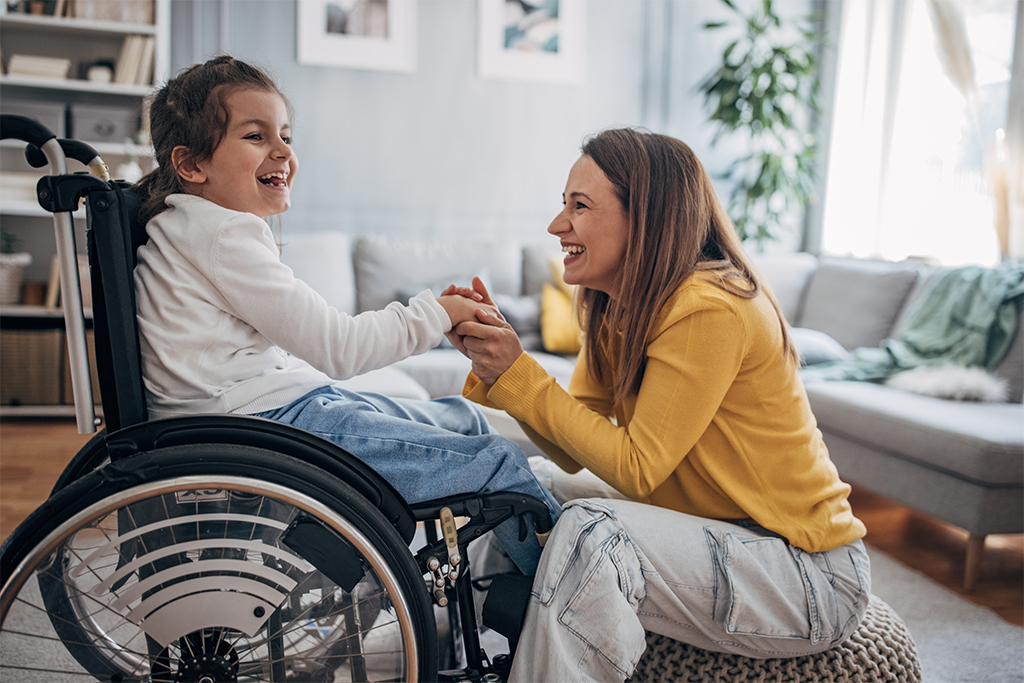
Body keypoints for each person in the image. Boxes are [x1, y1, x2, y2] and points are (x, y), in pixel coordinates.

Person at [448, 128, 871, 682]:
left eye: (580, 207)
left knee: (595, 533)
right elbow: (578, 447)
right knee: (524, 486)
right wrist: (500, 368)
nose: (557, 226)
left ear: (643, 218)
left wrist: (520, 374)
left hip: (805, 571)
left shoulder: (708, 308)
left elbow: (637, 467)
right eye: (563, 205)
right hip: (719, 530)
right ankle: (459, 655)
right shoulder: (614, 305)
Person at [132, 55, 560, 575]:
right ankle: (565, 612)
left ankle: (517, 594)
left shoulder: (186, 229)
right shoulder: (222, 234)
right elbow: (339, 348)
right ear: (192, 164)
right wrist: (436, 312)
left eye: (286, 135)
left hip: (260, 417)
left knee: (466, 419)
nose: (283, 151)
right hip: (264, 426)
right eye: (256, 136)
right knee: (498, 463)